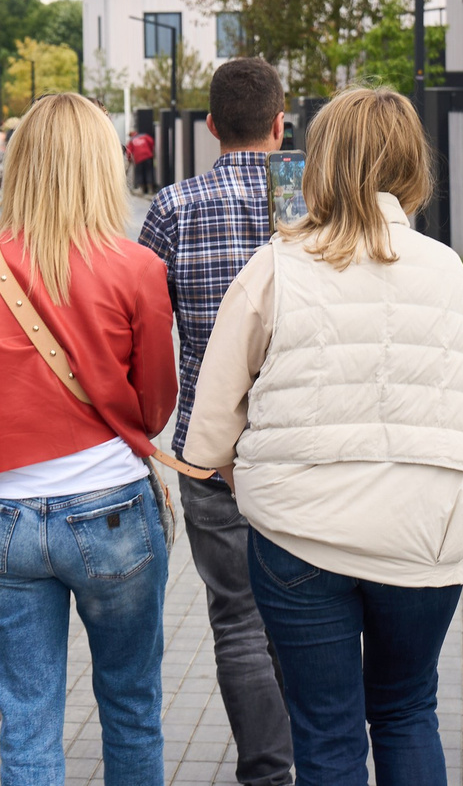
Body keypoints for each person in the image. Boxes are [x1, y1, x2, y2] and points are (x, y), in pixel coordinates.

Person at [182, 89, 463, 786]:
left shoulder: (279, 263)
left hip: (302, 531)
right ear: (412, 163)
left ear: (319, 161)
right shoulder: (445, 267)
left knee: (326, 730)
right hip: (426, 531)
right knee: (409, 708)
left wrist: (246, 476)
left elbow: (208, 429)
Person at [0, 92, 180, 786]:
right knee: (132, 708)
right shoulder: (136, 268)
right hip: (112, 509)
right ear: (102, 165)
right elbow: (155, 408)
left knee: (30, 722)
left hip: (4, 516)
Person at [136, 56, 294, 786]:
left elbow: (137, 324)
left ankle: (268, 771)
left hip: (209, 446)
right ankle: (318, 754)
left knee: (236, 619)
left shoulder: (171, 207)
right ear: (280, 123)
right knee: (311, 615)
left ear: (209, 127)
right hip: (303, 441)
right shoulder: (305, 199)